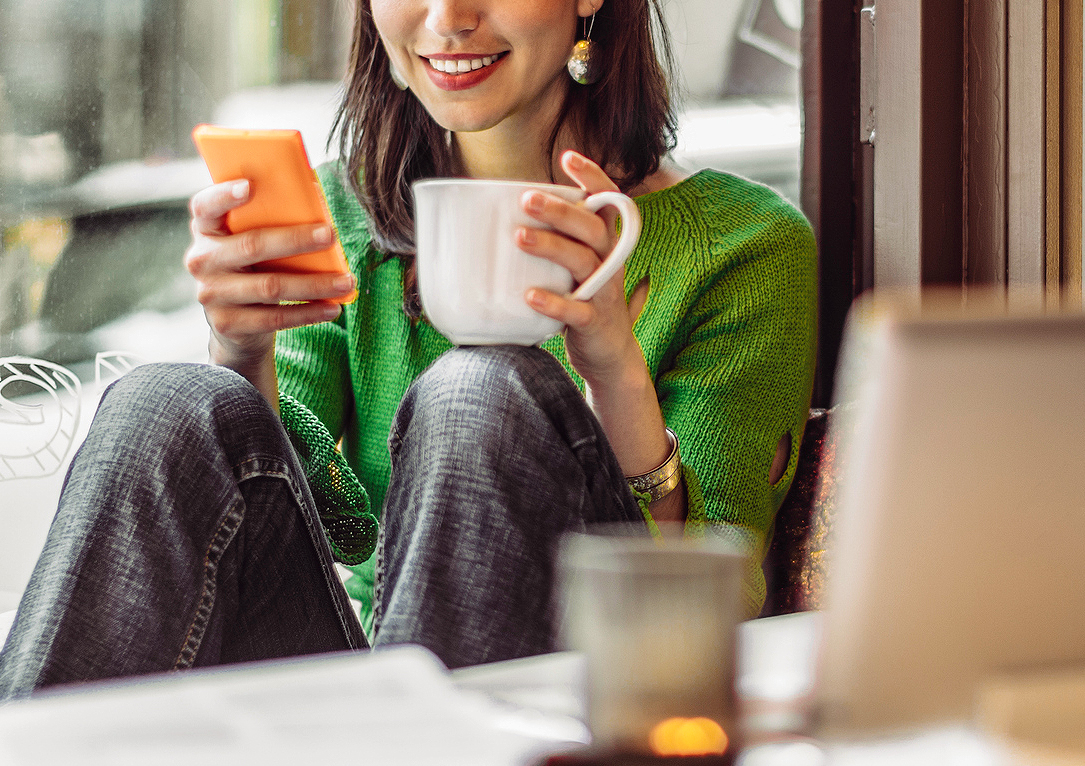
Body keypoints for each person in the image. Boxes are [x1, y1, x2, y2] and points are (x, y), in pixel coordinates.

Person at [0, 0, 816, 698]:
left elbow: (711, 603)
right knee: (168, 400)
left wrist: (610, 363)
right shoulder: (340, 217)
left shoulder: (742, 246)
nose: (447, 19)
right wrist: (242, 352)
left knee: (481, 390)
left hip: (567, 706)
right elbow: (335, 526)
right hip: (358, 697)